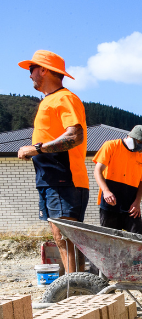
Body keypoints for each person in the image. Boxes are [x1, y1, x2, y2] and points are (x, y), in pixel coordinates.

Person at [16, 50, 88, 274]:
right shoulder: (50, 100)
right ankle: (74, 285)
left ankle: (74, 288)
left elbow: (75, 136)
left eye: (32, 69)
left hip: (64, 178)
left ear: (44, 70)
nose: (30, 75)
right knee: (61, 237)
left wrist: (36, 148)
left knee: (64, 237)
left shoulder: (64, 98)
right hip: (52, 180)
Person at [93, 125, 142, 234]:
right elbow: (97, 171)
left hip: (132, 207)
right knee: (110, 240)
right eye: (140, 142)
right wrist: (106, 191)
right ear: (130, 137)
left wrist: (137, 202)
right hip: (110, 204)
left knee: (138, 241)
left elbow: (141, 182)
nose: (141, 146)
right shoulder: (111, 146)